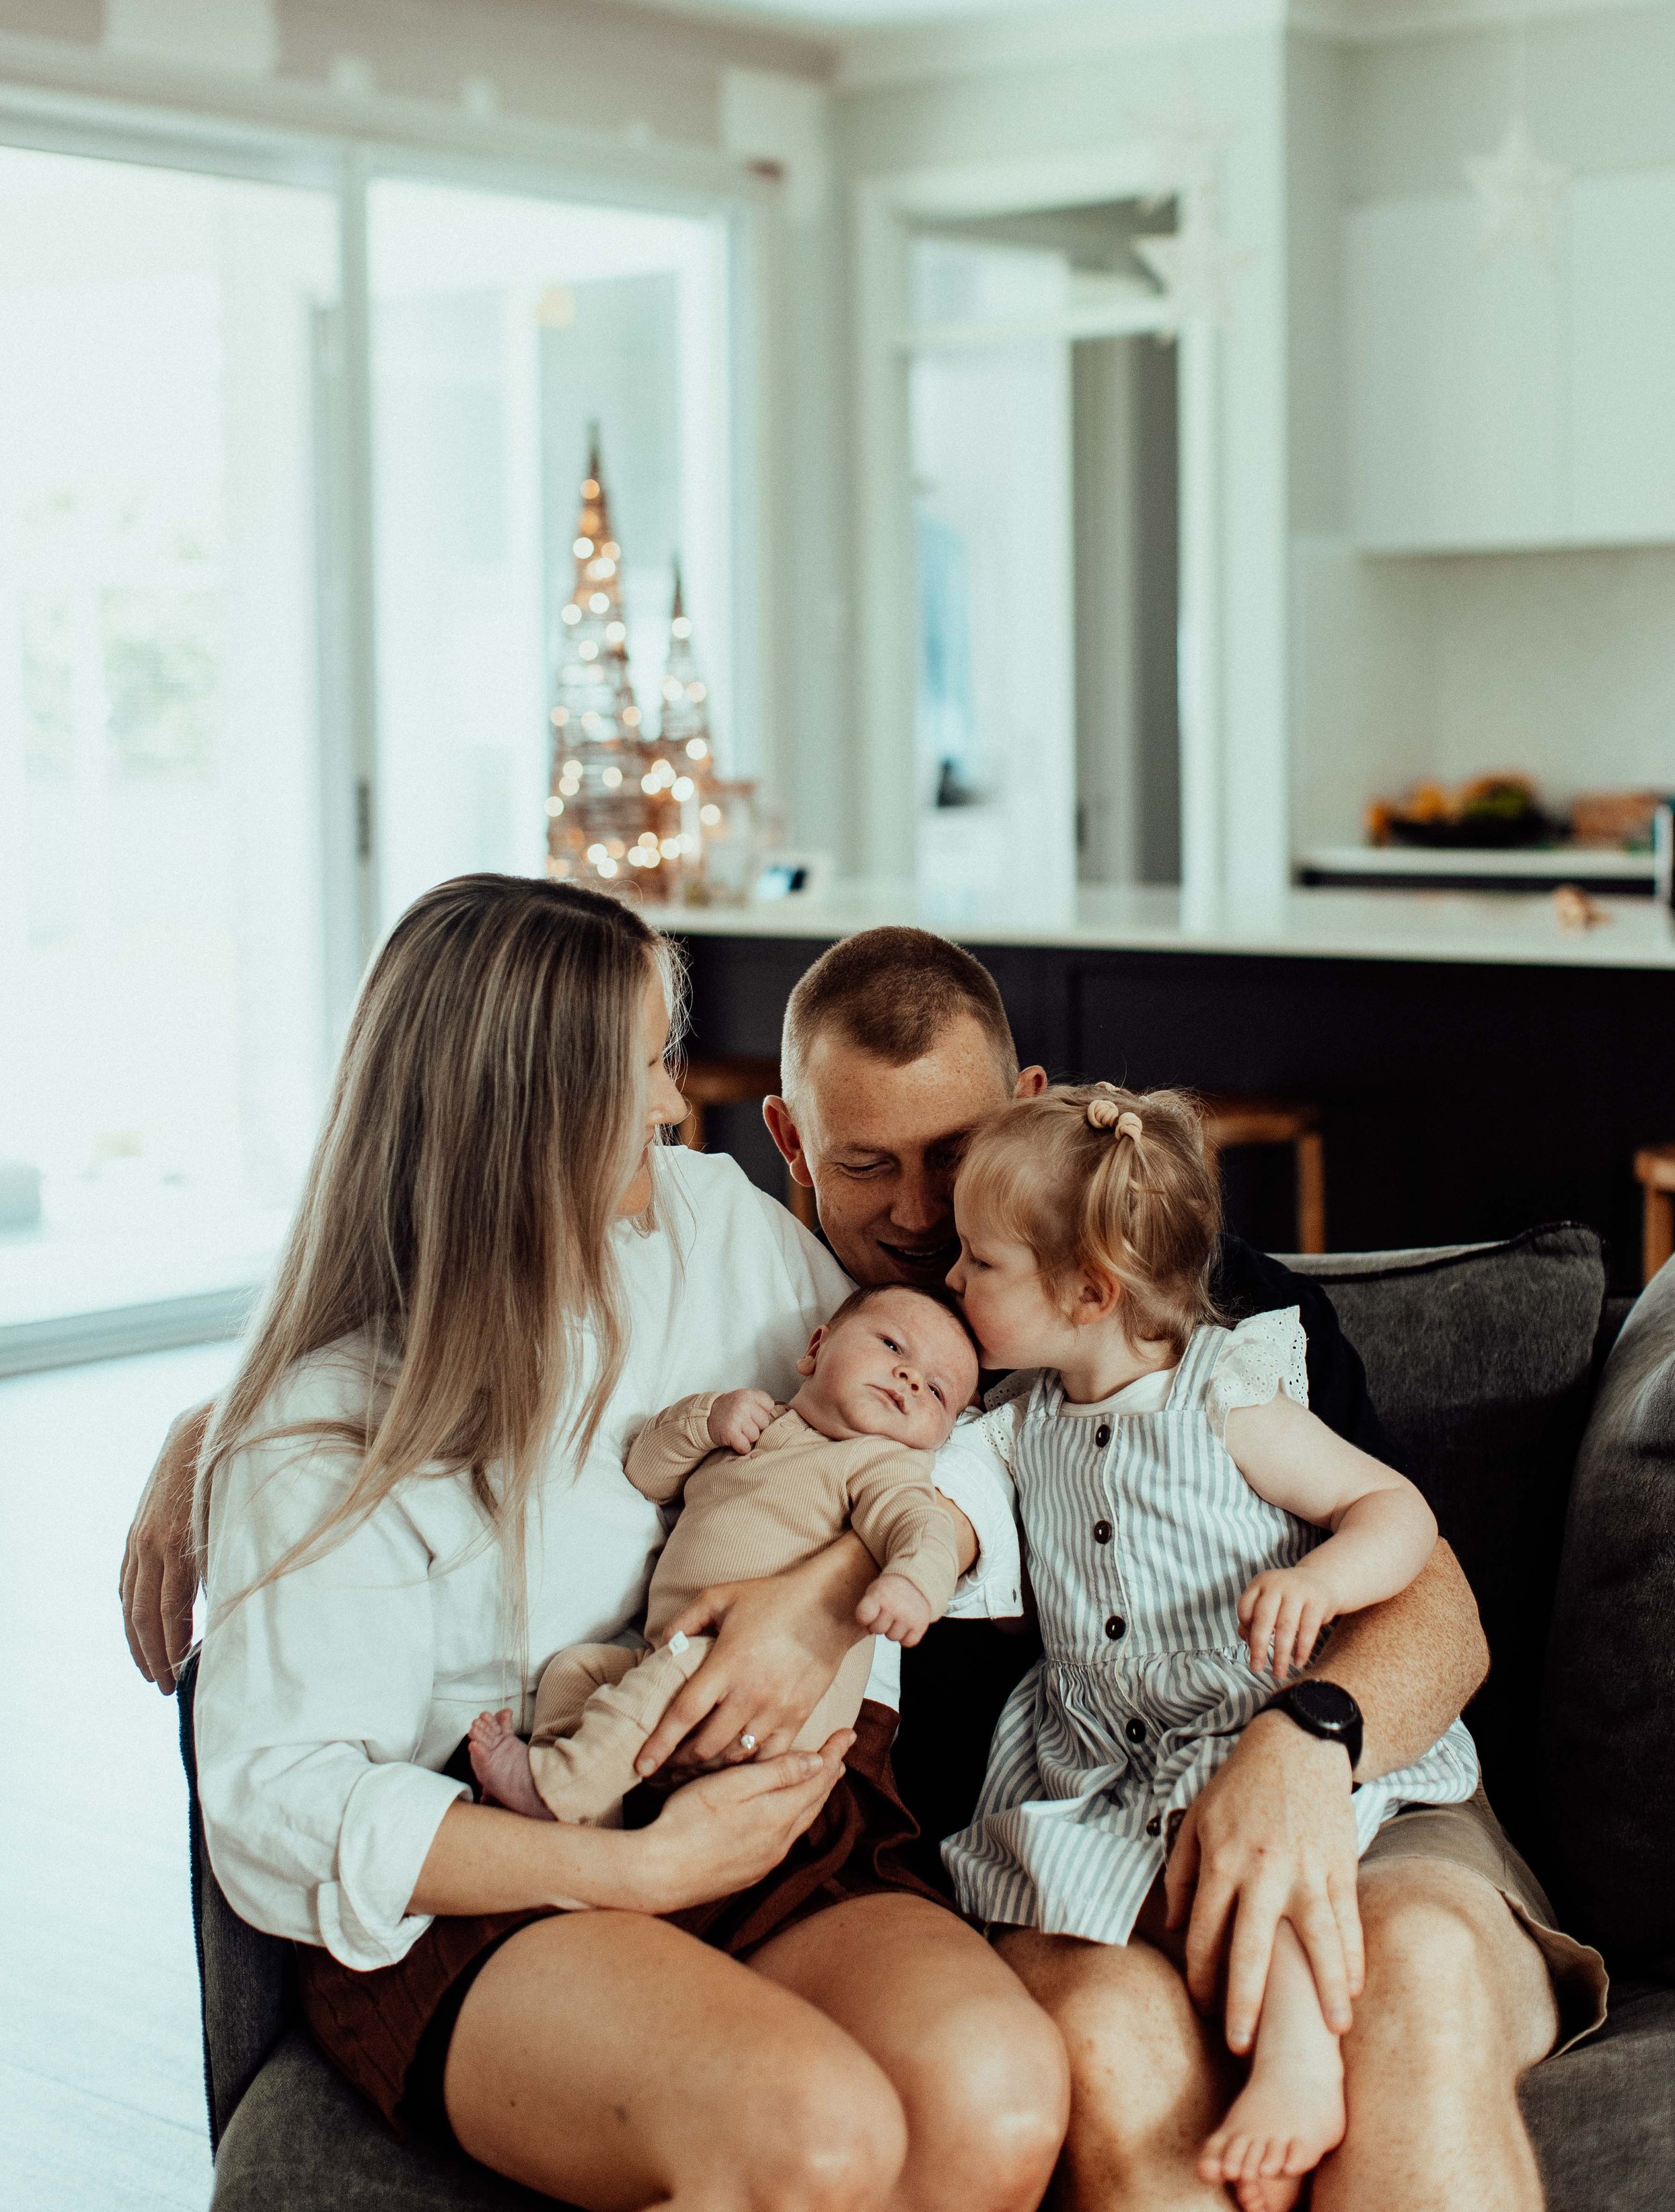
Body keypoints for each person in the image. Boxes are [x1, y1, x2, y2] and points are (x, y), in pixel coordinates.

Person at [122, 917, 1601, 2209]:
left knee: (1400, 1980)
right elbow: (441, 1321)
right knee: (1089, 2058)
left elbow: (1429, 1595)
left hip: (1326, 1779)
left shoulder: (1174, 1308)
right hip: (1060, 1852)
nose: (922, 1221)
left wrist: (1307, 1744)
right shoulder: (811, 1305)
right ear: (787, 1151)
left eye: (961, 1163)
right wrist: (230, 1417)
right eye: (865, 1167)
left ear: (1034, 1118)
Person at [185, 880, 1068, 2210]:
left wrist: (823, 1593)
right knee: (811, 2139)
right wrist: (627, 1867)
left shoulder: (714, 1230)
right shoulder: (322, 1430)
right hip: (499, 1870)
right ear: (527, 1104)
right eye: (644, 1064)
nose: (672, 1101)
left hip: (783, 1821)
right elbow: (279, 1803)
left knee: (993, 2105)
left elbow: (965, 1416)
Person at [939, 1083, 1480, 2212]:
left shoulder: (1229, 1386)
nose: (949, 1278)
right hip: (1100, 1754)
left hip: (1237, 1711)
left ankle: (1299, 2062)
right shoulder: (1018, 1419)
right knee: (1068, 1879)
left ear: (1088, 1290)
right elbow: (942, 1523)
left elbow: (1397, 1513)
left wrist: (1320, 1580)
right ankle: (1246, 2075)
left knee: (1242, 1832)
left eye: (977, 1264)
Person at [468, 1284, 977, 1824]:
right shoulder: (750, 1424)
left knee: (676, 1676)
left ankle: (553, 1788)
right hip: (669, 1654)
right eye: (894, 1347)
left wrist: (912, 1583)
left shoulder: (880, 1465)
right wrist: (707, 1420)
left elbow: (921, 1526)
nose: (912, 1380)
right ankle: (587, 1807)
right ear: (815, 1348)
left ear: (941, 1438)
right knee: (577, 1669)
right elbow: (647, 1472)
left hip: (776, 1692)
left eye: (939, 1393)